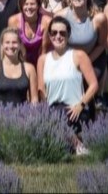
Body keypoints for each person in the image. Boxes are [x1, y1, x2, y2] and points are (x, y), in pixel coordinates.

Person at [37, 17, 98, 155]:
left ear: (68, 35)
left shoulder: (78, 56)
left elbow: (94, 85)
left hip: (75, 110)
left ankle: (74, 144)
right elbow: (41, 89)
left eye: (62, 33)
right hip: (54, 110)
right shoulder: (43, 60)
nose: (58, 36)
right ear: (49, 35)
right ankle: (77, 144)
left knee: (59, 115)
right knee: (54, 114)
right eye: (54, 33)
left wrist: (80, 105)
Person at [59, 0, 108, 96]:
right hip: (69, 61)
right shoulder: (61, 16)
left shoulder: (98, 18)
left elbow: (102, 44)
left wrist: (85, 63)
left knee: (87, 89)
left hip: (93, 58)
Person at [0, 28, 38, 108]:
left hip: (23, 116)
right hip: (0, 117)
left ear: (20, 45)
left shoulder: (29, 68)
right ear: (2, 45)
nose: (10, 46)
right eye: (7, 42)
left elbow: (34, 99)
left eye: (14, 42)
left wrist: (31, 114)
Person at [7, 0, 52, 66]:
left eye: (32, 4)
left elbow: (44, 50)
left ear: (38, 5)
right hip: (20, 60)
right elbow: (13, 49)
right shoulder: (13, 21)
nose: (29, 7)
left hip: (42, 60)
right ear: (21, 6)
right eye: (26, 4)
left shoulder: (47, 21)